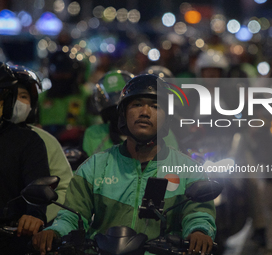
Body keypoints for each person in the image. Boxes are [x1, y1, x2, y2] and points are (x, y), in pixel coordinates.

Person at [32, 74, 216, 255]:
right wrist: (55, 231)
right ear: (123, 114)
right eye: (137, 105)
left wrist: (198, 231)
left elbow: (198, 213)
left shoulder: (188, 170)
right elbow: (73, 214)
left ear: (167, 118)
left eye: (155, 106)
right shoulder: (96, 165)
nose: (145, 112)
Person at [0, 59, 50, 254]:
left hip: (10, 239)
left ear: (8, 100)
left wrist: (34, 216)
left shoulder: (29, 141)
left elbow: (38, 186)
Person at [9, 65, 74, 224]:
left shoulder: (45, 140)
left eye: (24, 96)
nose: (18, 102)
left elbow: (64, 188)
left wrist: (39, 217)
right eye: (12, 95)